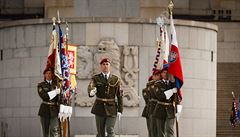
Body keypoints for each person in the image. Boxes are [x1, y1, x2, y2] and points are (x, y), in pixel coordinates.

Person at [88, 58, 123, 137]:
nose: (105, 66)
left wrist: (120, 110)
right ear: (101, 66)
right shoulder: (96, 78)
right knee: (100, 133)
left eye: (107, 64)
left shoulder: (116, 79)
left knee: (110, 130)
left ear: (110, 66)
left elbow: (120, 95)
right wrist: (91, 92)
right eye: (103, 64)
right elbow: (91, 87)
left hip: (112, 108)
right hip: (99, 107)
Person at [152, 67, 180, 137]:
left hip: (170, 109)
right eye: (164, 72)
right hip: (160, 109)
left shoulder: (173, 84)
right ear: (161, 74)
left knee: (169, 129)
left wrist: (178, 111)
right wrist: (171, 91)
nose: (166, 74)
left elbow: (177, 98)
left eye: (167, 72)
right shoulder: (157, 84)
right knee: (161, 132)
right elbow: (160, 96)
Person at [37, 67, 61, 137]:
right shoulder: (41, 85)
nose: (48, 75)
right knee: (45, 132)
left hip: (54, 110)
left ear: (52, 75)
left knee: (55, 131)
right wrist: (55, 92)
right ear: (44, 75)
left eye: (50, 73)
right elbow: (44, 96)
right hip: (44, 110)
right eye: (47, 73)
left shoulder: (57, 85)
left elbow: (60, 98)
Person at [143, 69, 161, 137]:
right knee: (151, 130)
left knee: (158, 130)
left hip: (158, 109)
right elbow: (147, 99)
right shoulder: (148, 88)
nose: (158, 77)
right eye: (156, 75)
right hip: (151, 109)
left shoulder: (159, 85)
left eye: (159, 75)